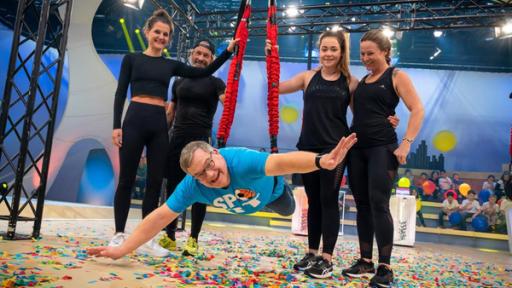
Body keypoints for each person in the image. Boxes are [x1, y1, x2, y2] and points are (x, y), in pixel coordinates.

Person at [86, 134, 359, 260]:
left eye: (209, 165)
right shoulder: (193, 186)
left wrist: (322, 160)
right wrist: (122, 249)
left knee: (287, 210)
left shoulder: (241, 161)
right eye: (201, 174)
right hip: (245, 203)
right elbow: (159, 217)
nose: (209, 175)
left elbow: (283, 162)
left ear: (216, 153)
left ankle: (283, 195)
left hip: (273, 196)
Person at [266, 31, 398, 279]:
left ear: (341, 52)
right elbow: (275, 89)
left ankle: (327, 258)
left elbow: (367, 112)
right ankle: (312, 252)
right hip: (307, 148)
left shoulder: (351, 83)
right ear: (319, 51)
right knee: (313, 201)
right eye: (324, 48)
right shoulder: (308, 77)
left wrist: (389, 119)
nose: (327, 53)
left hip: (334, 150)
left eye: (333, 49)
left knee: (328, 201)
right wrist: (271, 57)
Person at [109, 8, 237, 256]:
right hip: (134, 120)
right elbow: (119, 92)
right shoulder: (131, 59)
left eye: (166, 34)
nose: (161, 37)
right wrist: (116, 125)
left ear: (169, 38)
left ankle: (147, 239)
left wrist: (227, 52)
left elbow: (204, 72)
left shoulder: (171, 66)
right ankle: (118, 234)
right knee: (126, 180)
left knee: (155, 185)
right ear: (148, 32)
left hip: (158, 127)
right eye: (157, 32)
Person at [342, 29, 424, 288]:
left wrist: (406, 144)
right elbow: (362, 113)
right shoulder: (363, 81)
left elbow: (417, 109)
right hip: (358, 149)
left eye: (371, 53)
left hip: (382, 149)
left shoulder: (396, 75)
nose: (365, 58)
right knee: (362, 206)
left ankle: (385, 268)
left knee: (378, 204)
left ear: (385, 52)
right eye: (362, 54)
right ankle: (365, 260)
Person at [159, 39, 227, 256]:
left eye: (206, 56)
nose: (200, 58)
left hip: (201, 141)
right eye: (198, 54)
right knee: (173, 188)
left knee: (201, 189)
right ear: (191, 55)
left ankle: (193, 240)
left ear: (211, 60)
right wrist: (160, 138)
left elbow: (229, 105)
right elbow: (170, 113)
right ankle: (169, 236)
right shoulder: (178, 81)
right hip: (177, 139)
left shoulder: (216, 83)